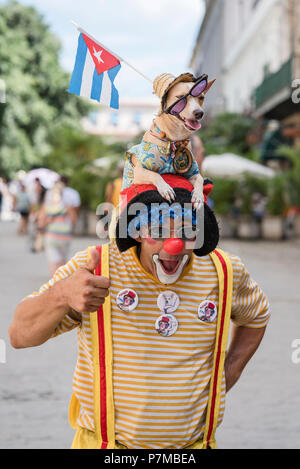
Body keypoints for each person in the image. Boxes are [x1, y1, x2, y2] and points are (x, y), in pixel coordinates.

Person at [9, 174, 270, 450]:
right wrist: (61, 295)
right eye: (158, 231)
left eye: (185, 231)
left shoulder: (225, 271)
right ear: (136, 230)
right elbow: (18, 336)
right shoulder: (96, 266)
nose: (174, 246)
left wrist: (225, 376)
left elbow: (257, 315)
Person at [38, 177, 80, 276]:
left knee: (53, 262)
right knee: (62, 262)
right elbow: (74, 220)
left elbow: (42, 221)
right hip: (65, 237)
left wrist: (41, 228)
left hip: (51, 236)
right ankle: (61, 280)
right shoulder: (67, 206)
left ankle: (54, 281)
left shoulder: (46, 206)